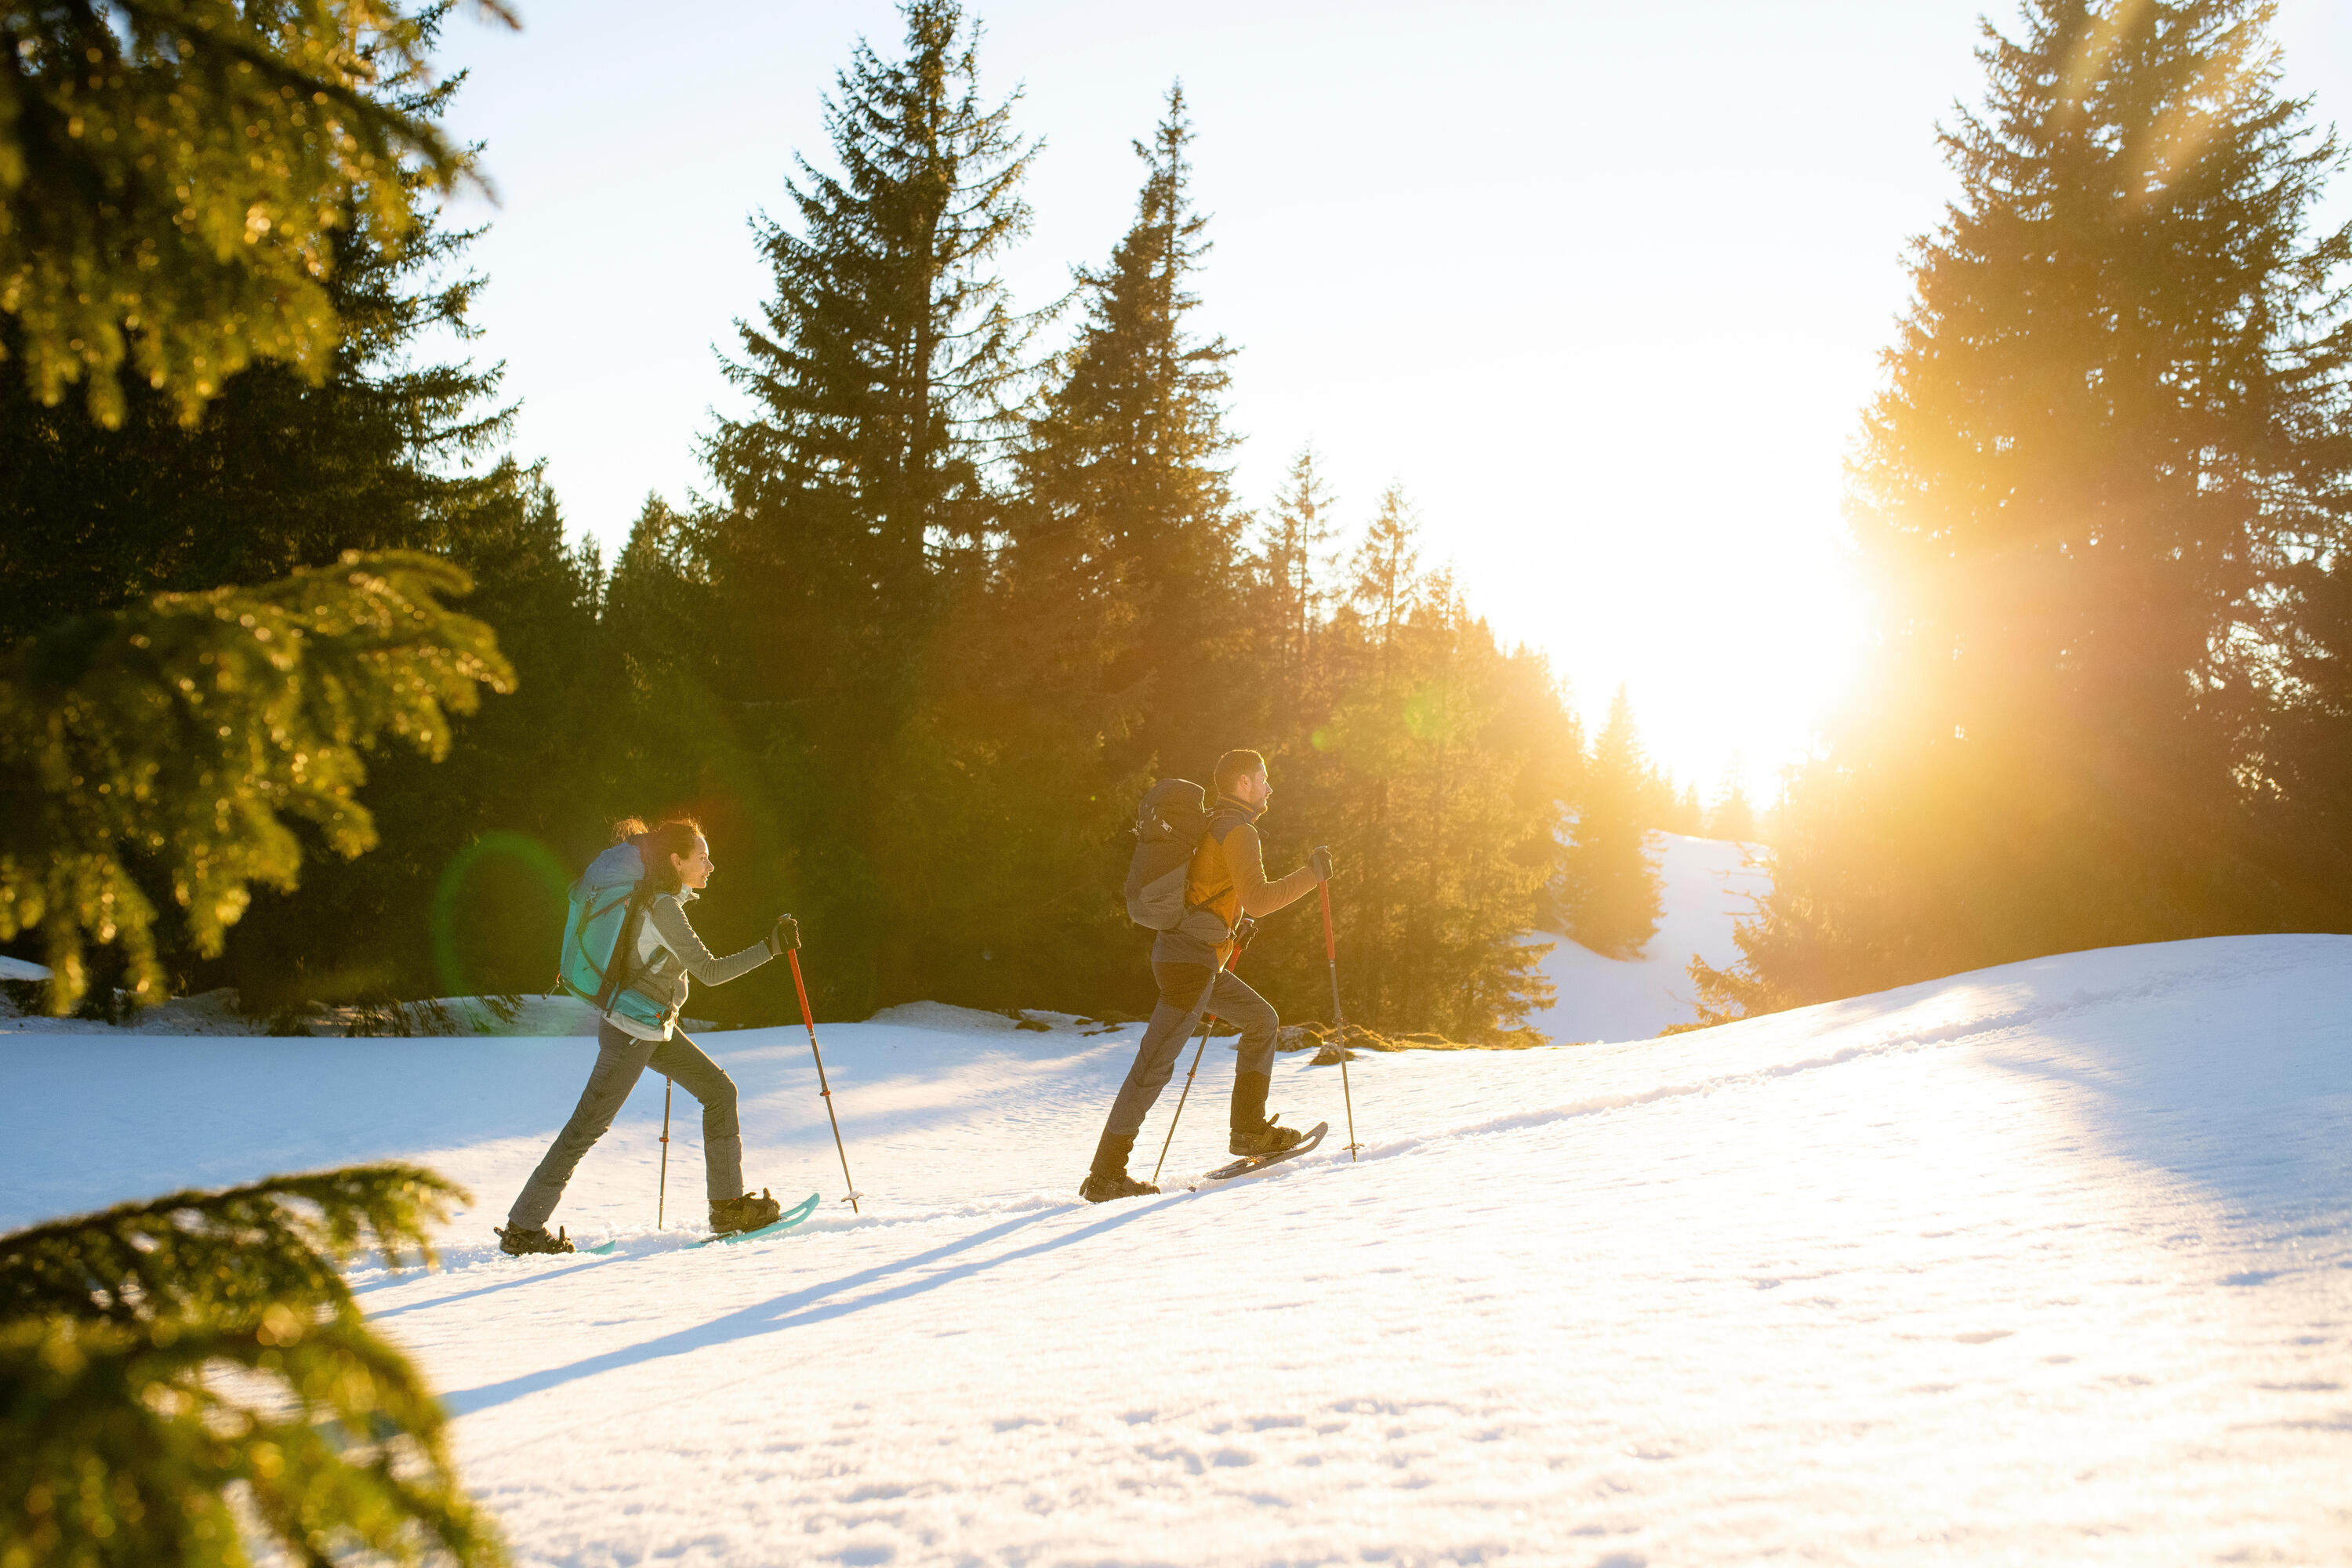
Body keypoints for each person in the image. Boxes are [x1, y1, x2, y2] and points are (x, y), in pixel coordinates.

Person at [497, 818, 797, 1254]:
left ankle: (728, 1207)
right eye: (702, 856)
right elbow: (709, 972)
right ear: (676, 861)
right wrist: (769, 947)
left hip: (651, 1026)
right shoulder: (663, 908)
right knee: (586, 1127)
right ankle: (523, 1229)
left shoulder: (662, 902)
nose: (711, 865)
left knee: (719, 1091)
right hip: (631, 1032)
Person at [1081, 750, 1333, 1202]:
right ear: (1242, 783)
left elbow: (1210, 892)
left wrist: (1229, 930)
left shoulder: (1214, 825)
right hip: (1191, 964)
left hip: (1190, 957)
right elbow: (1258, 897)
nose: (1269, 788)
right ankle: (1106, 1175)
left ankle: (1249, 1131)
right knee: (1152, 1067)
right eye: (1263, 779)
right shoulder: (1238, 830)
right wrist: (1311, 875)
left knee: (1262, 1020)